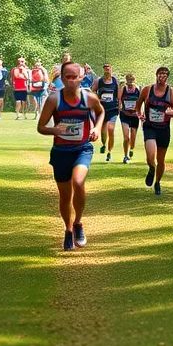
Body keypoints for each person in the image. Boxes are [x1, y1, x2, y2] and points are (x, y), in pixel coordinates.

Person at [37, 60, 104, 251]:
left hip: (82, 148)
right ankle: (68, 229)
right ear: (62, 78)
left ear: (82, 77)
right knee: (65, 196)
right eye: (68, 77)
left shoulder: (89, 97)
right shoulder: (54, 100)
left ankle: (78, 223)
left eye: (75, 77)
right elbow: (41, 127)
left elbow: (101, 112)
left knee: (78, 182)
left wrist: (97, 129)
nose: (72, 81)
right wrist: (55, 130)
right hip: (60, 152)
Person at [141, 67, 173, 194]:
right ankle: (151, 169)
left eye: (165, 74)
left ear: (167, 77)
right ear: (156, 75)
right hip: (150, 127)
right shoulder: (147, 90)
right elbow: (138, 106)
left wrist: (171, 113)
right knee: (150, 155)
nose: (162, 76)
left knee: (161, 159)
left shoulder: (171, 92)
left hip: (164, 129)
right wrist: (139, 115)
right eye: (160, 74)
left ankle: (157, 182)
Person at [95, 64, 120, 163]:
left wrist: (119, 105)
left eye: (108, 69)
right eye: (105, 70)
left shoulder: (115, 81)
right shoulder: (99, 81)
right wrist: (97, 99)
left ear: (111, 70)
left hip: (113, 108)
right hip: (102, 109)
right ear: (103, 71)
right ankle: (104, 144)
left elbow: (118, 95)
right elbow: (92, 91)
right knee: (103, 131)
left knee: (111, 129)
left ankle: (109, 152)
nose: (107, 71)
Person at [118, 73, 141, 163]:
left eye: (132, 80)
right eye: (129, 80)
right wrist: (119, 108)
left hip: (134, 116)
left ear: (134, 80)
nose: (130, 82)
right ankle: (125, 155)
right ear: (126, 80)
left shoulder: (137, 89)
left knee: (133, 137)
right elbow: (119, 100)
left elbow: (141, 101)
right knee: (126, 137)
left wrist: (138, 110)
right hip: (125, 114)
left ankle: (131, 148)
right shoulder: (123, 89)